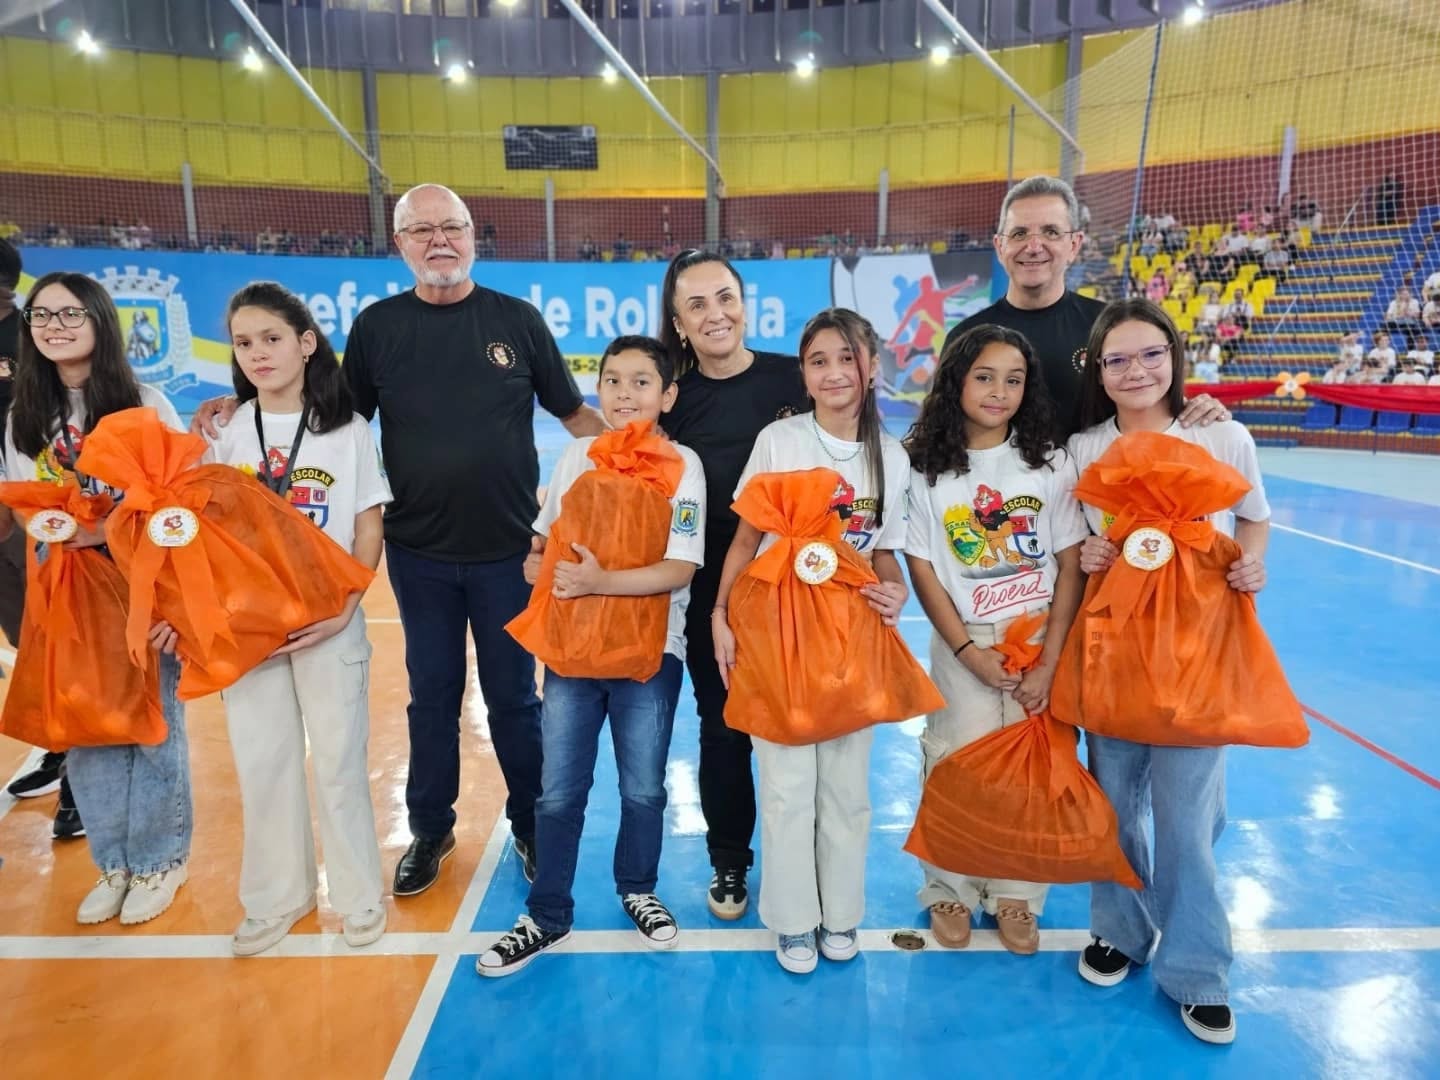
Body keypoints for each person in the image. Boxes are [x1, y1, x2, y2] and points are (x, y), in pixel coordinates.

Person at [193, 183, 605, 898]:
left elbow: (575, 418)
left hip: (512, 553)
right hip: (419, 555)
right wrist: (241, 403)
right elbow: (329, 417)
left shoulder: (518, 320)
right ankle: (431, 828)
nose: (440, 241)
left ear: (473, 236)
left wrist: (644, 450)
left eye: (453, 227)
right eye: (422, 230)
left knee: (514, 699)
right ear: (401, 244)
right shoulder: (379, 327)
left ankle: (532, 823)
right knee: (432, 697)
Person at [1068, 297, 1271, 1047]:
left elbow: (1253, 516)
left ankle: (1196, 971)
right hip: (1113, 649)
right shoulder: (1083, 448)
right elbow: (1079, 541)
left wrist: (1252, 564)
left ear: (1175, 357)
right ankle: (1119, 932)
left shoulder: (1221, 434)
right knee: (1114, 806)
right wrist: (1092, 555)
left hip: (1196, 652)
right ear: (1098, 370)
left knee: (1186, 819)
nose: (1137, 371)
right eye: (1117, 359)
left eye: (1151, 354)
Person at [478, 336, 705, 976]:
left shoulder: (684, 466)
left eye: (641, 382)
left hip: (650, 654)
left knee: (643, 787)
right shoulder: (577, 456)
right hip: (574, 652)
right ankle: (547, 912)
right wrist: (536, 565)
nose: (625, 393)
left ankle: (638, 888)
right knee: (557, 792)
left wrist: (600, 581)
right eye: (612, 381)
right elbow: (543, 543)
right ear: (597, 389)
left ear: (668, 395)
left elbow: (680, 568)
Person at [711, 308, 910, 974]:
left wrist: (896, 589)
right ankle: (794, 920)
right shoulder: (780, 441)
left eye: (847, 358)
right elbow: (745, 539)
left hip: (852, 639)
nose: (833, 372)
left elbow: (884, 552)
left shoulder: (893, 457)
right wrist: (720, 613)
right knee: (787, 786)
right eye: (819, 360)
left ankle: (841, 913)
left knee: (847, 790)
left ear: (872, 367)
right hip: (778, 636)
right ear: (803, 373)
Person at [202, 283, 388, 956]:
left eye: (272, 338)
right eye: (243, 342)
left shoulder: (347, 429)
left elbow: (368, 527)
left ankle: (359, 896)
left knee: (339, 765)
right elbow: (202, 533)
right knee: (264, 763)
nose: (258, 353)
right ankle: (277, 898)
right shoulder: (223, 431)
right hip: (249, 630)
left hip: (327, 623)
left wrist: (344, 610)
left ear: (307, 343)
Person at [3, 271, 191, 925]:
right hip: (64, 586)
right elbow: (23, 503)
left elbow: (178, 505)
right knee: (84, 727)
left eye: (69, 314)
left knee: (152, 724)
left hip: (139, 579)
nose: (53, 326)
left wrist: (107, 533)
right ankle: (114, 863)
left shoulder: (146, 403)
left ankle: (161, 860)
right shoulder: (25, 415)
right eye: (40, 315)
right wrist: (59, 529)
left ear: (100, 321)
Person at [902, 324, 1087, 955]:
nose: (999, 392)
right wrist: (965, 651)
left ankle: (1018, 893)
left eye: (1014, 380)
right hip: (966, 641)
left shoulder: (1050, 462)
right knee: (957, 762)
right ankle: (948, 883)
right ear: (956, 380)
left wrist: (1051, 660)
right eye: (984, 376)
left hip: (1039, 638)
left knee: (1034, 771)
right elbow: (923, 567)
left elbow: (1070, 564)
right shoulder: (924, 467)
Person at [657, 250, 807, 919]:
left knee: (801, 724)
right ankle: (729, 859)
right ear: (678, 323)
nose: (715, 314)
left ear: (745, 304)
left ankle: (804, 861)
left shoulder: (794, 379)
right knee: (722, 727)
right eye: (697, 304)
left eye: (725, 297)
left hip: (796, 587)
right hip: (706, 591)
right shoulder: (674, 400)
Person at [942, 176, 1227, 436]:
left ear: (1075, 244)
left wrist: (1197, 408)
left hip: (1099, 476)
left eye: (1051, 232)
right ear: (999, 246)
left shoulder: (1111, 328)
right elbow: (943, 426)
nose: (1034, 246)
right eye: (1019, 234)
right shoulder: (965, 337)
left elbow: (1152, 400)